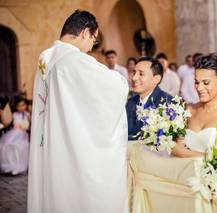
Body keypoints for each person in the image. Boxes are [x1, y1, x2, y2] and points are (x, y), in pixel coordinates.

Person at [28, 10, 128, 213]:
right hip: (70, 147)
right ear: (84, 32)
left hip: (50, 140)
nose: (92, 46)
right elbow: (116, 87)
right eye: (94, 38)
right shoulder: (75, 60)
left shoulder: (45, 57)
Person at [171, 53, 217, 158]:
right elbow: (175, 149)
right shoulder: (188, 110)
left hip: (216, 174)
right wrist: (205, 156)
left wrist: (188, 154)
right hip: (182, 170)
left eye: (206, 83)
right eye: (196, 82)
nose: (199, 88)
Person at [126, 57, 173, 140]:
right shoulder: (131, 102)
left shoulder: (168, 104)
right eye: (134, 72)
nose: (134, 78)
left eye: (141, 74)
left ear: (156, 79)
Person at [0, 97, 30, 175]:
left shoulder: (27, 114)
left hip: (23, 134)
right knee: (6, 144)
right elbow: (8, 122)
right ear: (16, 107)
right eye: (19, 106)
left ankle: (19, 167)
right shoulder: (14, 114)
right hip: (14, 132)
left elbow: (29, 125)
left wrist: (25, 126)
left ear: (26, 105)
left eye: (23, 105)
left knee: (19, 145)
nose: (21, 107)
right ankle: (10, 166)